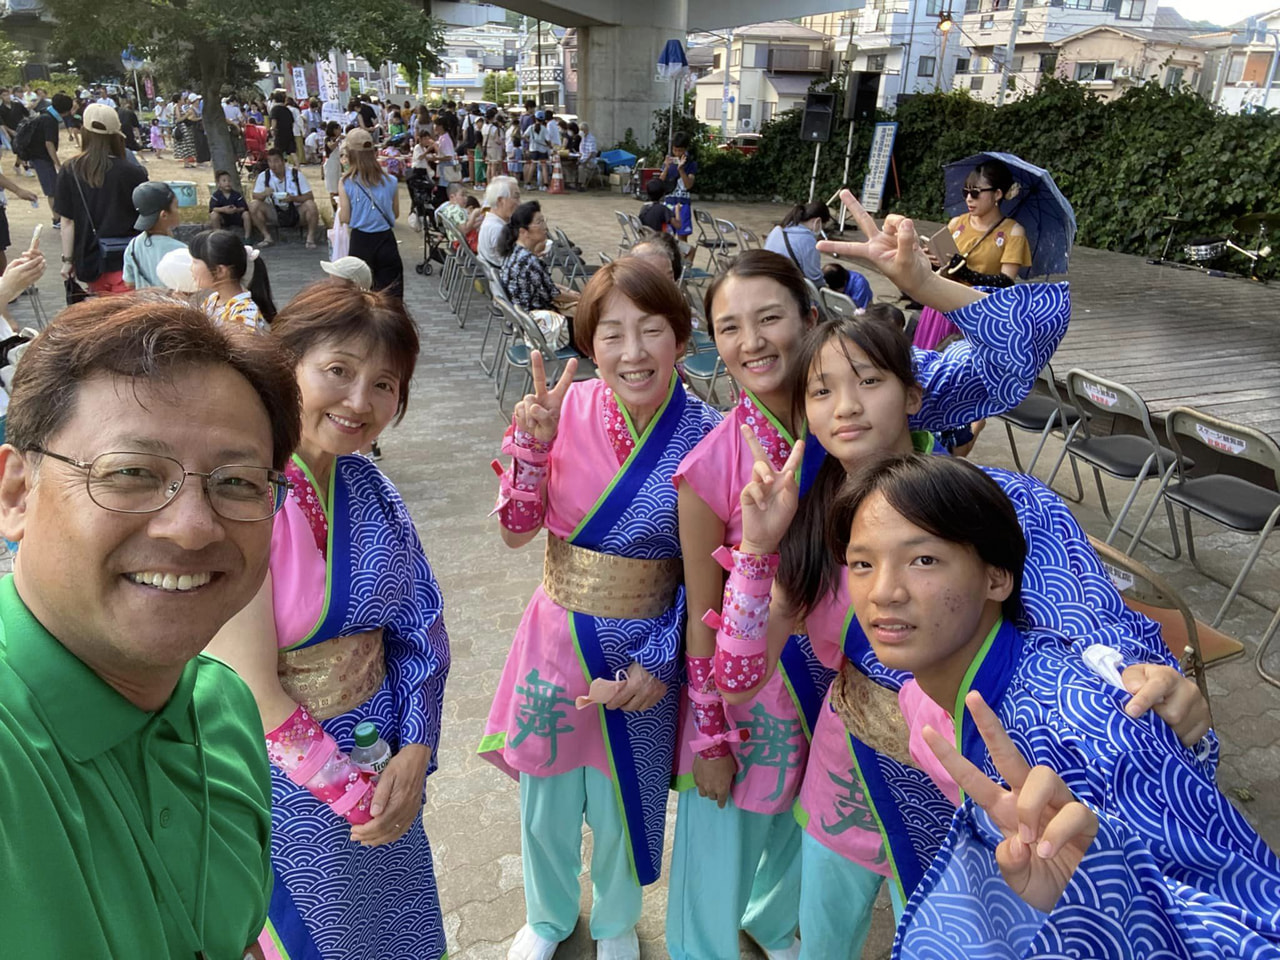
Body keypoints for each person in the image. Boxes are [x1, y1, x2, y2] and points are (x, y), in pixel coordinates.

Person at [711, 199, 1212, 957]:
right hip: (847, 772)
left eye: (869, 382)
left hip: (966, 782)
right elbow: (739, 678)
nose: (846, 407)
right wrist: (753, 553)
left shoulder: (999, 506)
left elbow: (1100, 634)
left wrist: (1156, 684)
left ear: (916, 395)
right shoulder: (805, 525)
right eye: (821, 392)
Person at [825, 453, 1280, 957]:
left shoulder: (1076, 727)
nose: (883, 592)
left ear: (998, 577)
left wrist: (1110, 896)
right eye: (862, 564)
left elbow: (1253, 917)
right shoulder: (957, 683)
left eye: (923, 559)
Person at [0, 293, 300, 958]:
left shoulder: (222, 707)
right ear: (17, 493)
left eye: (237, 483)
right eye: (132, 472)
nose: (193, 527)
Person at [482, 260, 723, 960]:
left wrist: (661, 659)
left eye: (652, 331)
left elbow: (713, 575)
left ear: (683, 338)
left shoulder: (710, 434)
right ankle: (550, 917)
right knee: (547, 800)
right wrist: (531, 446)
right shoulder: (563, 411)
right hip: (556, 638)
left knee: (625, 801)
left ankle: (617, 920)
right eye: (612, 333)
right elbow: (514, 531)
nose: (633, 352)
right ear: (589, 345)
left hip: (651, 647)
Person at [204, 279, 451, 960]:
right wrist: (361, 800)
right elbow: (256, 691)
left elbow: (420, 624)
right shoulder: (242, 497)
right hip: (290, 787)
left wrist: (417, 748)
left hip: (384, 756)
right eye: (338, 371)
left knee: (397, 929)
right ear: (286, 367)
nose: (359, 401)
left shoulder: (371, 484)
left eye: (384, 384)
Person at [915, 157, 1032, 350]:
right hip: (939, 307)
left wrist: (967, 274)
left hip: (977, 314)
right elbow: (942, 267)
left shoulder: (1013, 232)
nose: (969, 199)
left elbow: (1006, 283)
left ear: (997, 194)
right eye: (966, 192)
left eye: (976, 193)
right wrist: (933, 261)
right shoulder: (956, 223)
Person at [54, 103, 148, 296]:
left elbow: (67, 221)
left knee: (103, 317)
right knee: (127, 318)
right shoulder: (134, 172)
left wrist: (68, 261)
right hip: (128, 261)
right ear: (116, 135)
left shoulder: (70, 169)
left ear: (85, 132)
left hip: (91, 261)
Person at [497, 200, 578, 345]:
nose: (545, 227)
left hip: (525, 319)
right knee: (589, 320)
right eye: (539, 222)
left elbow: (546, 287)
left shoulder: (515, 253)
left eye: (543, 221)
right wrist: (581, 297)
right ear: (523, 232)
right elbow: (554, 294)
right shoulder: (528, 261)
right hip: (539, 326)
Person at [338, 127, 403, 297]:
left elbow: (345, 217)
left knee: (359, 297)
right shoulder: (391, 180)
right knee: (391, 297)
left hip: (360, 241)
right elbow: (395, 213)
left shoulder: (346, 182)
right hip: (386, 239)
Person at [190, 228, 276, 330]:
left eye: (195, 262)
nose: (191, 268)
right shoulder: (213, 300)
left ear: (220, 270)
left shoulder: (245, 312)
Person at [250, 148, 320, 249]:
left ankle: (310, 239)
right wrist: (264, 194)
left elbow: (310, 196)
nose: (273, 165)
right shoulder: (264, 176)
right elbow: (255, 196)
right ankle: (267, 237)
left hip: (296, 212)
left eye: (276, 161)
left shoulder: (295, 174)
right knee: (253, 205)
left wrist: (293, 198)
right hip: (274, 212)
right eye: (270, 161)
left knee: (311, 205)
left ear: (283, 161)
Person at [122, 181, 186, 290]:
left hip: (144, 305)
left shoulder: (133, 246)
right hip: (173, 306)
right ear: (164, 215)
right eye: (176, 207)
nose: (178, 212)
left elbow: (129, 283)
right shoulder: (180, 250)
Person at [22, 91, 71, 232]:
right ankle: (56, 219)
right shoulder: (50, 120)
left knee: (53, 188)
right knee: (52, 190)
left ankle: (58, 217)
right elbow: (49, 143)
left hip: (39, 157)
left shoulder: (45, 113)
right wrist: (57, 163)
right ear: (65, 110)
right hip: (42, 158)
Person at [764, 201, 831, 286]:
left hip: (767, 281)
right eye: (823, 227)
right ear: (818, 222)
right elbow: (815, 279)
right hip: (786, 289)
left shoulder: (778, 229)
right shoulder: (808, 241)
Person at [660, 132, 697, 241]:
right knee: (666, 238)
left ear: (685, 149)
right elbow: (660, 182)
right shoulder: (669, 162)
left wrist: (681, 169)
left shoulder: (691, 164)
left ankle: (682, 257)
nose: (677, 153)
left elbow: (688, 185)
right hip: (669, 202)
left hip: (683, 203)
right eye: (675, 150)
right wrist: (666, 167)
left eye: (680, 150)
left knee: (682, 238)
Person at [477, 175, 521, 268]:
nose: (519, 203)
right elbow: (513, 266)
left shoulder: (491, 221)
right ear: (501, 200)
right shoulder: (498, 229)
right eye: (516, 197)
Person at [209, 169, 252, 236]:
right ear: (218, 184)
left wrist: (236, 210)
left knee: (246, 214)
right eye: (224, 181)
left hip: (236, 216)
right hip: (223, 218)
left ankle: (247, 237)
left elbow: (244, 207)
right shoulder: (216, 195)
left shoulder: (236, 195)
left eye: (229, 181)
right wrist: (223, 209)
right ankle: (217, 235)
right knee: (213, 214)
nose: (227, 183)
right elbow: (212, 208)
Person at [269, 90, 296, 159]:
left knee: (278, 152)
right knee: (292, 152)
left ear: (274, 100)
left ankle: (280, 166)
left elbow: (274, 122)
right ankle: (298, 166)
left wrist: (272, 131)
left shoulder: (274, 109)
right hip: (289, 133)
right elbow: (292, 122)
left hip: (279, 134)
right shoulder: (287, 110)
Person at [576, 122, 598, 190]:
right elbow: (581, 152)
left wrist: (585, 161)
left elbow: (592, 153)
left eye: (582, 130)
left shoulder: (591, 139)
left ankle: (582, 184)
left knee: (581, 167)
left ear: (586, 130)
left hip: (590, 160)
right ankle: (573, 183)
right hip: (583, 158)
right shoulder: (582, 139)